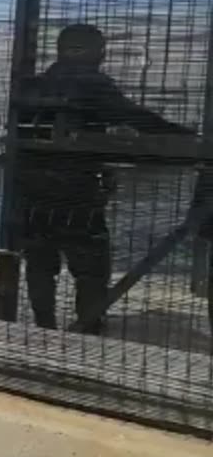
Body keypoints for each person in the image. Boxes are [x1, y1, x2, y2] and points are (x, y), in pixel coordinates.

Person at [12, 23, 195, 334]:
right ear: (92, 51)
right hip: (75, 193)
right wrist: (186, 137)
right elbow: (135, 118)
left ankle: (44, 328)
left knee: (40, 264)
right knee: (92, 268)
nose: (104, 56)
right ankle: (87, 329)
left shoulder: (32, 87)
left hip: (30, 193)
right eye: (101, 49)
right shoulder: (93, 84)